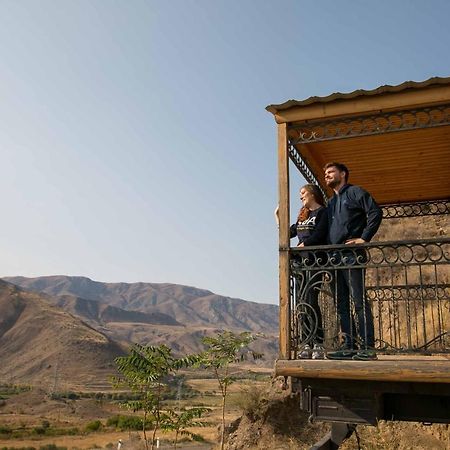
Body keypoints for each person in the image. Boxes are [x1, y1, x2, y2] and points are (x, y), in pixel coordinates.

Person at [323, 162, 382, 361]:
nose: (327, 176)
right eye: (325, 173)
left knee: (358, 301)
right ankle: (348, 346)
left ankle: (367, 348)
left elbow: (375, 212)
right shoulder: (331, 202)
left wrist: (364, 238)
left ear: (343, 174)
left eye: (331, 172)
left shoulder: (355, 192)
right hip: (334, 259)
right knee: (341, 305)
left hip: (351, 256)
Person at [276, 184, 328, 356]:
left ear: (313, 194)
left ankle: (318, 343)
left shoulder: (323, 213)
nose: (301, 197)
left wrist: (303, 245)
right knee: (301, 304)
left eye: (303, 193)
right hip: (300, 264)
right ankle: (306, 343)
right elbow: (287, 233)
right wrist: (277, 217)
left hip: (315, 262)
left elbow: (320, 234)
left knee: (311, 301)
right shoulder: (302, 216)